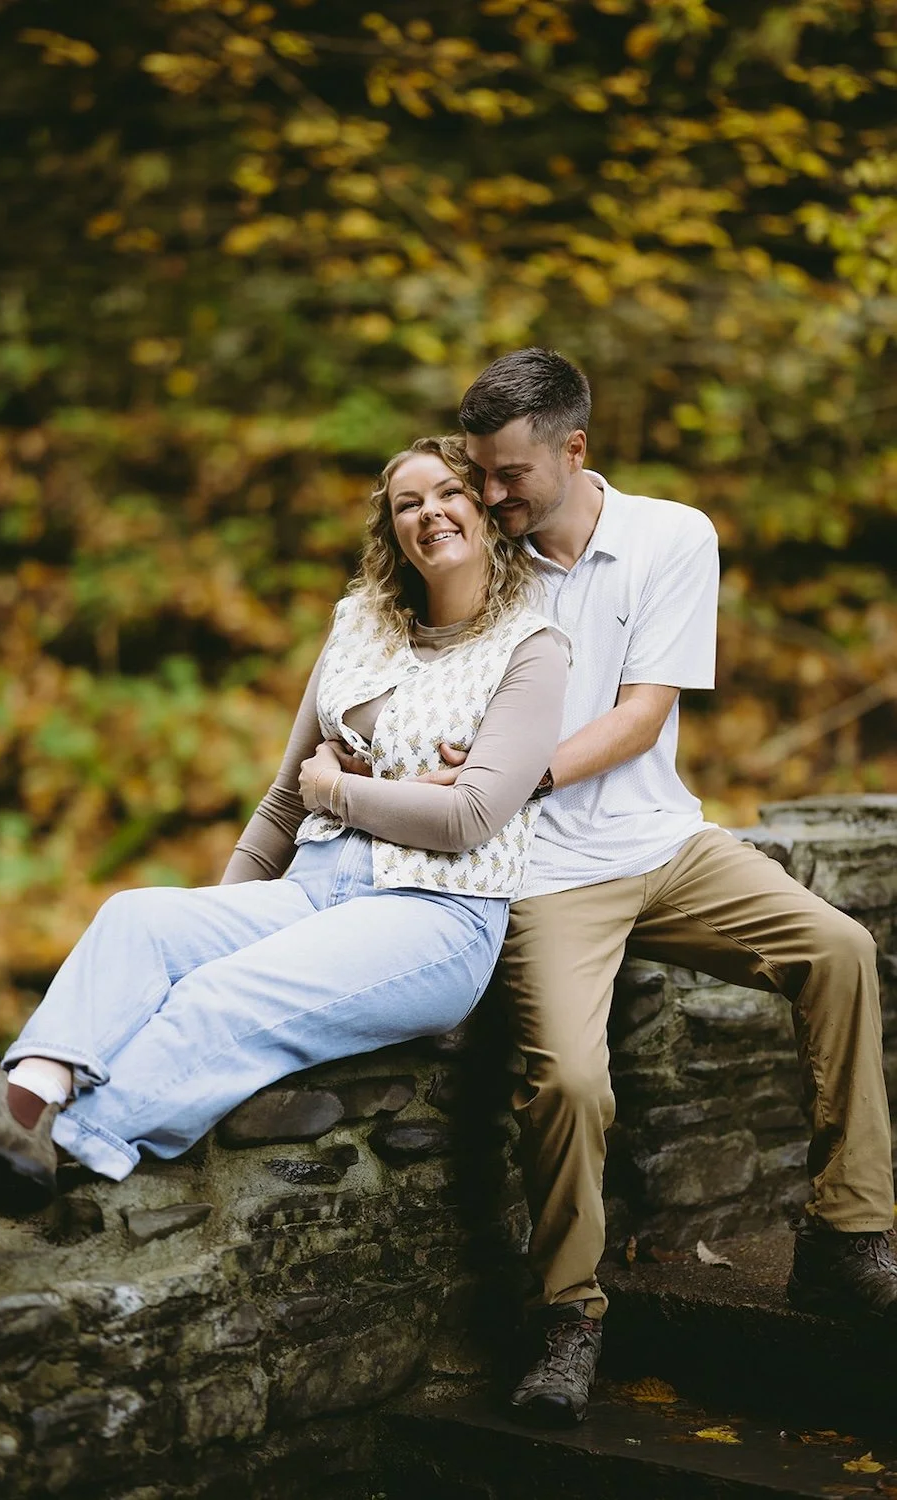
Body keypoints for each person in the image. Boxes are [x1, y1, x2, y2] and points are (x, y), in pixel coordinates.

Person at [348, 349, 897, 1425]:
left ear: (574, 449)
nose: (490, 494)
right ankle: (569, 1316)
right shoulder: (480, 555)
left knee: (838, 949)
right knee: (569, 1083)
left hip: (665, 844)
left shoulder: (671, 537)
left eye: (510, 474)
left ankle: (847, 1234)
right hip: (544, 873)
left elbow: (643, 717)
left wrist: (510, 773)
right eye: (477, 471)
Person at [0, 435, 568, 1258]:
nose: (429, 513)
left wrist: (340, 792)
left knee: (220, 998)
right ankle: (14, 1114)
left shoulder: (532, 649)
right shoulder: (359, 625)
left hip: (435, 916)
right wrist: (222, 916)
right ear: (391, 528)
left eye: (449, 493)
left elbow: (469, 815)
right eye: (407, 503)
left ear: (486, 510)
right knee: (138, 921)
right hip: (314, 888)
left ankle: (53, 1153)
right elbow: (287, 797)